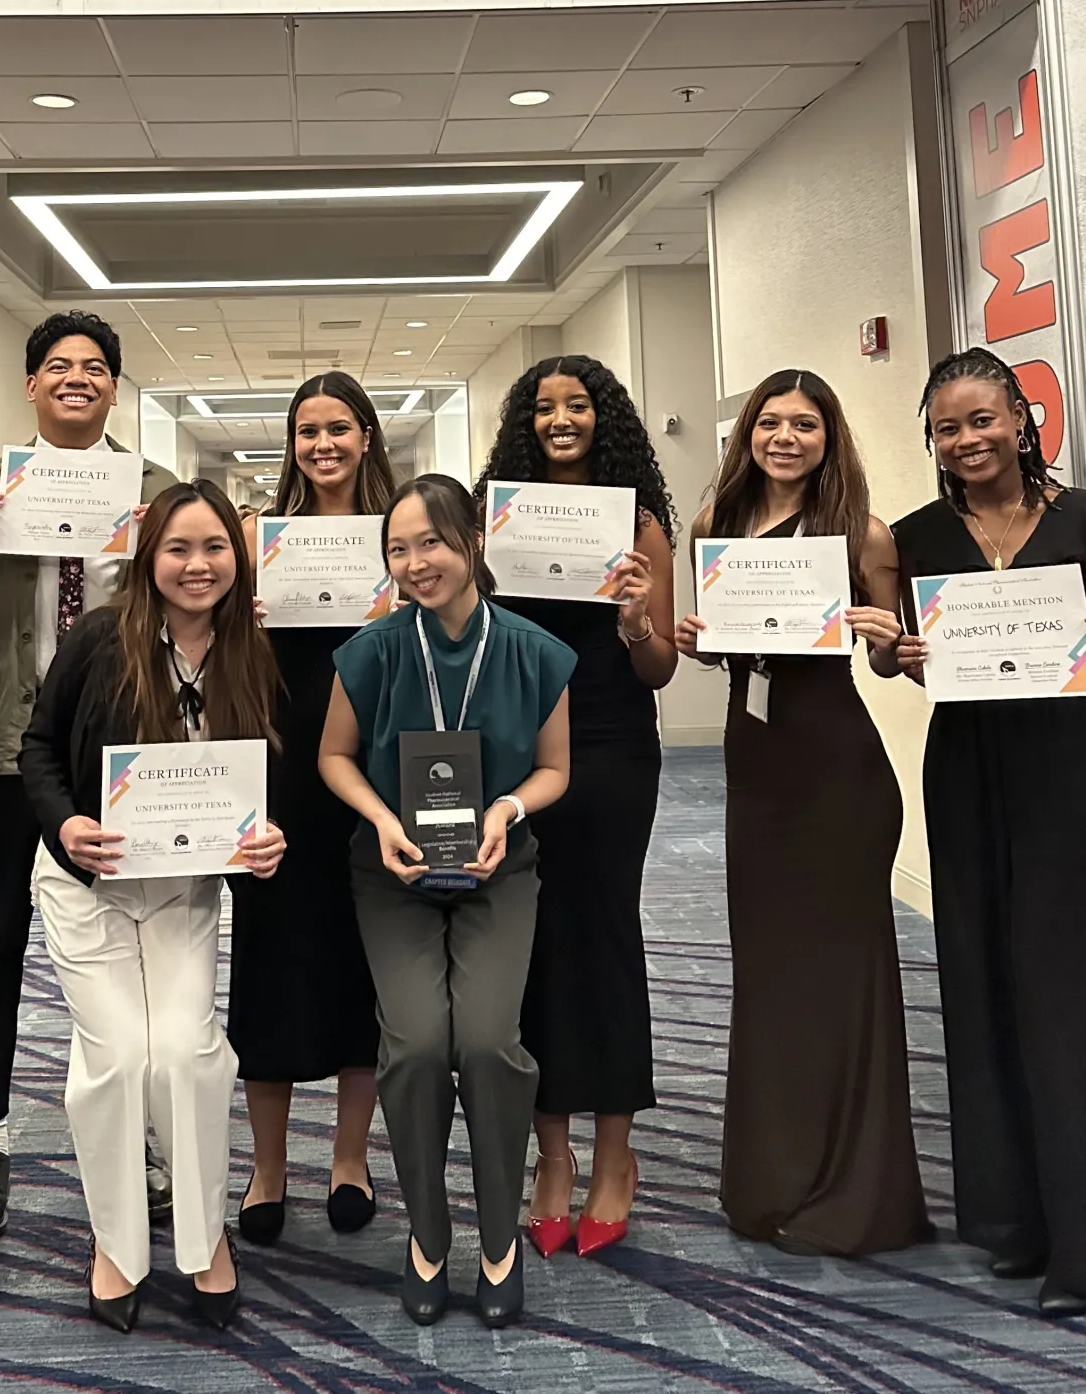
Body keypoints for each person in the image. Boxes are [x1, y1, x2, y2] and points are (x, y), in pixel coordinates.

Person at [891, 347, 1086, 1318]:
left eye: (981, 419)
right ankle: (1011, 1225)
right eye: (946, 428)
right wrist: (902, 654)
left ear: (1019, 415)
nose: (966, 440)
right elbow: (913, 664)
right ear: (929, 440)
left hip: (1069, 774)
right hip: (966, 774)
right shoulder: (912, 538)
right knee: (982, 982)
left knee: (1079, 996)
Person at [19, 480, 287, 1332]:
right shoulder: (102, 637)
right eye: (179, 548)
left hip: (183, 891)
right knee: (116, 1061)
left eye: (214, 548)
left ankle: (206, 1239)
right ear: (149, 557)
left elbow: (258, 778)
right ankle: (116, 1245)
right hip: (86, 883)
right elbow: (35, 747)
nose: (197, 565)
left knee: (185, 1052)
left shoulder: (252, 649)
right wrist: (66, 824)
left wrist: (265, 841)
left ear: (237, 560)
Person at [675, 368, 929, 1257]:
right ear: (747, 433)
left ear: (831, 438)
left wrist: (889, 639)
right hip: (758, 778)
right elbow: (731, 659)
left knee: (846, 981)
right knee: (773, 979)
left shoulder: (862, 533)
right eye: (771, 423)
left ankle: (858, 1195)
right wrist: (697, 643)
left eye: (805, 425)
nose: (786, 438)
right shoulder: (714, 528)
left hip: (837, 775)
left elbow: (896, 663)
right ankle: (772, 1180)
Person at [0, 311, 178, 1243]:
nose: (76, 378)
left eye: (94, 368)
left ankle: (150, 1145)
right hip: (3, 752)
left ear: (115, 389)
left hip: (123, 761)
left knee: (141, 960)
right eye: (56, 367)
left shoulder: (157, 490)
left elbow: (191, 606)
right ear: (31, 386)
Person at [319, 475, 574, 1328]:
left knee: (493, 1044)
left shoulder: (535, 650)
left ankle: (498, 1241)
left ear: (471, 540)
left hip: (500, 868)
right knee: (420, 1046)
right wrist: (385, 820)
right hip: (392, 872)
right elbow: (335, 758)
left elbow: (554, 769)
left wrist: (507, 809)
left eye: (431, 541)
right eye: (398, 548)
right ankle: (428, 1237)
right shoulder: (375, 648)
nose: (415, 562)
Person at [474, 354, 677, 1259]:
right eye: (544, 408)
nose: (561, 419)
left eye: (578, 406)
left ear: (607, 419)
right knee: (533, 949)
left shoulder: (639, 526)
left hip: (609, 744)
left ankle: (615, 1156)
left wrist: (635, 612)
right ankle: (551, 1157)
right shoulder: (495, 518)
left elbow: (660, 666)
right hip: (516, 747)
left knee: (605, 938)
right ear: (526, 423)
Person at [231, 372, 392, 1246]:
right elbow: (219, 659)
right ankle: (265, 1167)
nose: (322, 444)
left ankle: (348, 1158)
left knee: (366, 960)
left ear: (367, 435)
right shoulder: (261, 538)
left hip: (380, 764)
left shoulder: (404, 534)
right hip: (283, 764)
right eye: (306, 431)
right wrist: (242, 626)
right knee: (272, 959)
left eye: (338, 428)